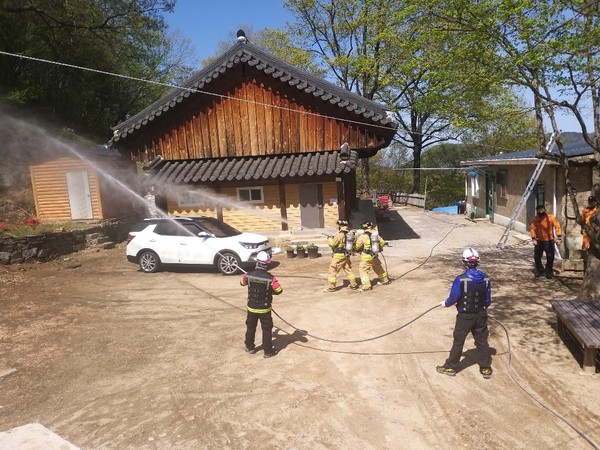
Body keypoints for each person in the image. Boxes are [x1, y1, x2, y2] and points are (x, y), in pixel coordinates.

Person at [436, 248, 492, 379]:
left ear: (464, 262)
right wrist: (481, 309)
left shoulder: (460, 279)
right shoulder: (486, 279)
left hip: (465, 317)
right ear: (477, 262)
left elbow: (454, 297)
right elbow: (488, 300)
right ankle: (485, 368)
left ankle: (451, 366)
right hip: (481, 315)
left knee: (459, 341)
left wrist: (445, 303)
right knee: (482, 341)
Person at [240, 251, 282, 358]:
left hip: (252, 308)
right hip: (264, 309)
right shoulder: (271, 278)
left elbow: (242, 283)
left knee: (250, 327)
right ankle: (268, 351)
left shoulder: (248, 275)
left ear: (257, 263)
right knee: (267, 330)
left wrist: (247, 276)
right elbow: (279, 290)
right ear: (267, 264)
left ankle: (250, 347)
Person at [325, 219, 359, 292]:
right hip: (346, 256)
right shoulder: (350, 234)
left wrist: (329, 239)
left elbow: (333, 244)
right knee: (348, 270)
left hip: (338, 257)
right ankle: (353, 284)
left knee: (332, 271)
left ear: (340, 226)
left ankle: (331, 287)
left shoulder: (339, 235)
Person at [353, 221, 389, 291]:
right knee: (378, 267)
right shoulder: (376, 235)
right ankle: (385, 280)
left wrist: (355, 249)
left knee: (363, 270)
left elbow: (357, 247)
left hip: (366, 257)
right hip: (374, 256)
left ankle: (367, 286)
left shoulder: (362, 236)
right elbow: (382, 243)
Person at [530, 204, 562, 279]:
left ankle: (548, 271)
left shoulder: (551, 218)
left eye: (542, 210)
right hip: (539, 241)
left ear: (544, 210)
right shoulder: (535, 219)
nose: (541, 211)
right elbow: (532, 229)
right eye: (539, 210)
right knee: (537, 257)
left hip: (549, 241)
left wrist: (559, 238)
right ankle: (540, 270)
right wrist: (533, 239)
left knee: (550, 257)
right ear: (537, 211)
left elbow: (557, 226)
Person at [581, 196, 598, 273]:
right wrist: (582, 228)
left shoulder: (597, 210)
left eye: (592, 202)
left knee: (595, 247)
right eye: (589, 202)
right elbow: (582, 220)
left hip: (596, 232)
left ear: (595, 202)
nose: (590, 203)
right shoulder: (585, 210)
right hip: (587, 231)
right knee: (585, 247)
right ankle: (586, 266)